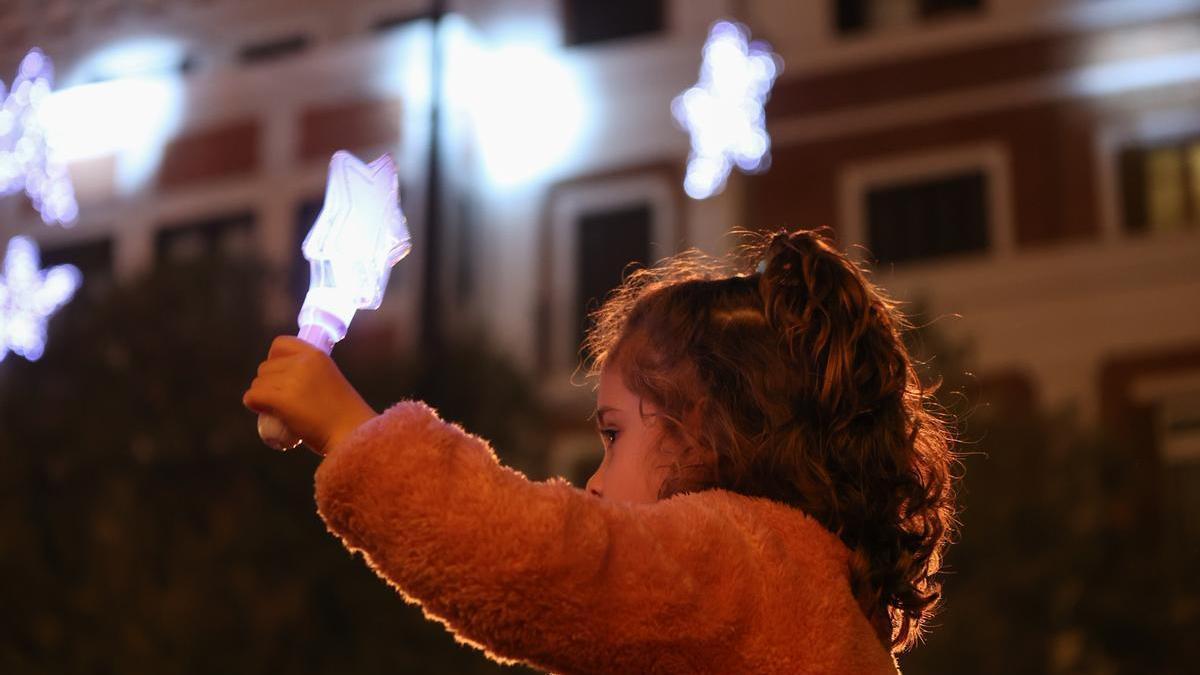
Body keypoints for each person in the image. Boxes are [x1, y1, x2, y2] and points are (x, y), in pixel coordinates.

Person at [242, 228, 960, 674]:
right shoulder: (824, 603)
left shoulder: (742, 562)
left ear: (707, 427)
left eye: (614, 434)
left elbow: (539, 561)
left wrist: (354, 432)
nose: (591, 483)